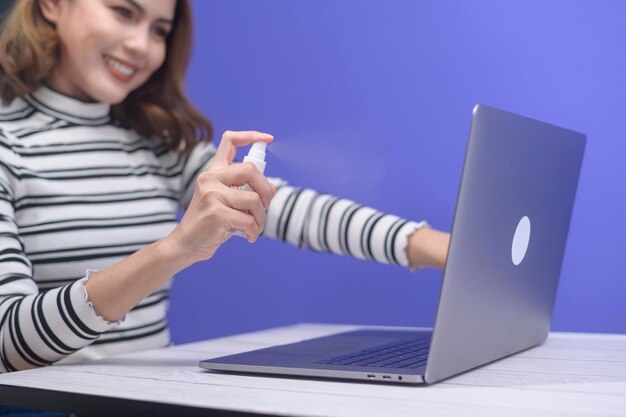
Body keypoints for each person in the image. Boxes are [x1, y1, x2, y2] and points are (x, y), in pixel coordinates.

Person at [0, 0, 450, 375]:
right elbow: (10, 342)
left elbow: (298, 210)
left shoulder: (155, 147)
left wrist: (445, 249)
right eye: (122, 12)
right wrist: (178, 247)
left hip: (145, 399)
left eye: (160, 30)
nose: (141, 45)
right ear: (52, 4)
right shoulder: (8, 147)